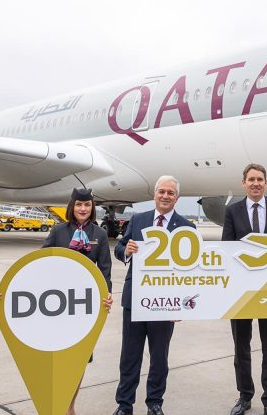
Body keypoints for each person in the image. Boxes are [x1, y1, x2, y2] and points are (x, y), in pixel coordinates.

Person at [0, 187, 113, 415]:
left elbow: (104, 272)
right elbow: (37, 266)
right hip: (57, 305)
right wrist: (7, 292)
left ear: (92, 208)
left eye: (87, 205)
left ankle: (69, 406)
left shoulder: (99, 234)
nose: (83, 209)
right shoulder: (59, 231)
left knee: (78, 360)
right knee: (54, 353)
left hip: (83, 307)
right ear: (72, 207)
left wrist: (107, 297)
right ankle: (52, 402)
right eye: (79, 205)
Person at [113, 175, 195, 415]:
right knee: (130, 356)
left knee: (159, 358)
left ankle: (155, 403)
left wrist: (181, 305)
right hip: (135, 299)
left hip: (165, 303)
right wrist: (125, 251)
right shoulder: (139, 219)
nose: (165, 196)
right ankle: (124, 404)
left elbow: (190, 270)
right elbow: (119, 247)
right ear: (155, 194)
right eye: (162, 192)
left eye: (170, 193)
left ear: (177, 198)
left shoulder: (186, 227)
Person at [222, 164, 267, 415]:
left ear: (266, 183)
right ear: (244, 183)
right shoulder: (232, 211)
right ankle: (244, 396)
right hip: (241, 292)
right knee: (242, 348)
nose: (255, 183)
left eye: (260, 179)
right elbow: (226, 251)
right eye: (251, 179)